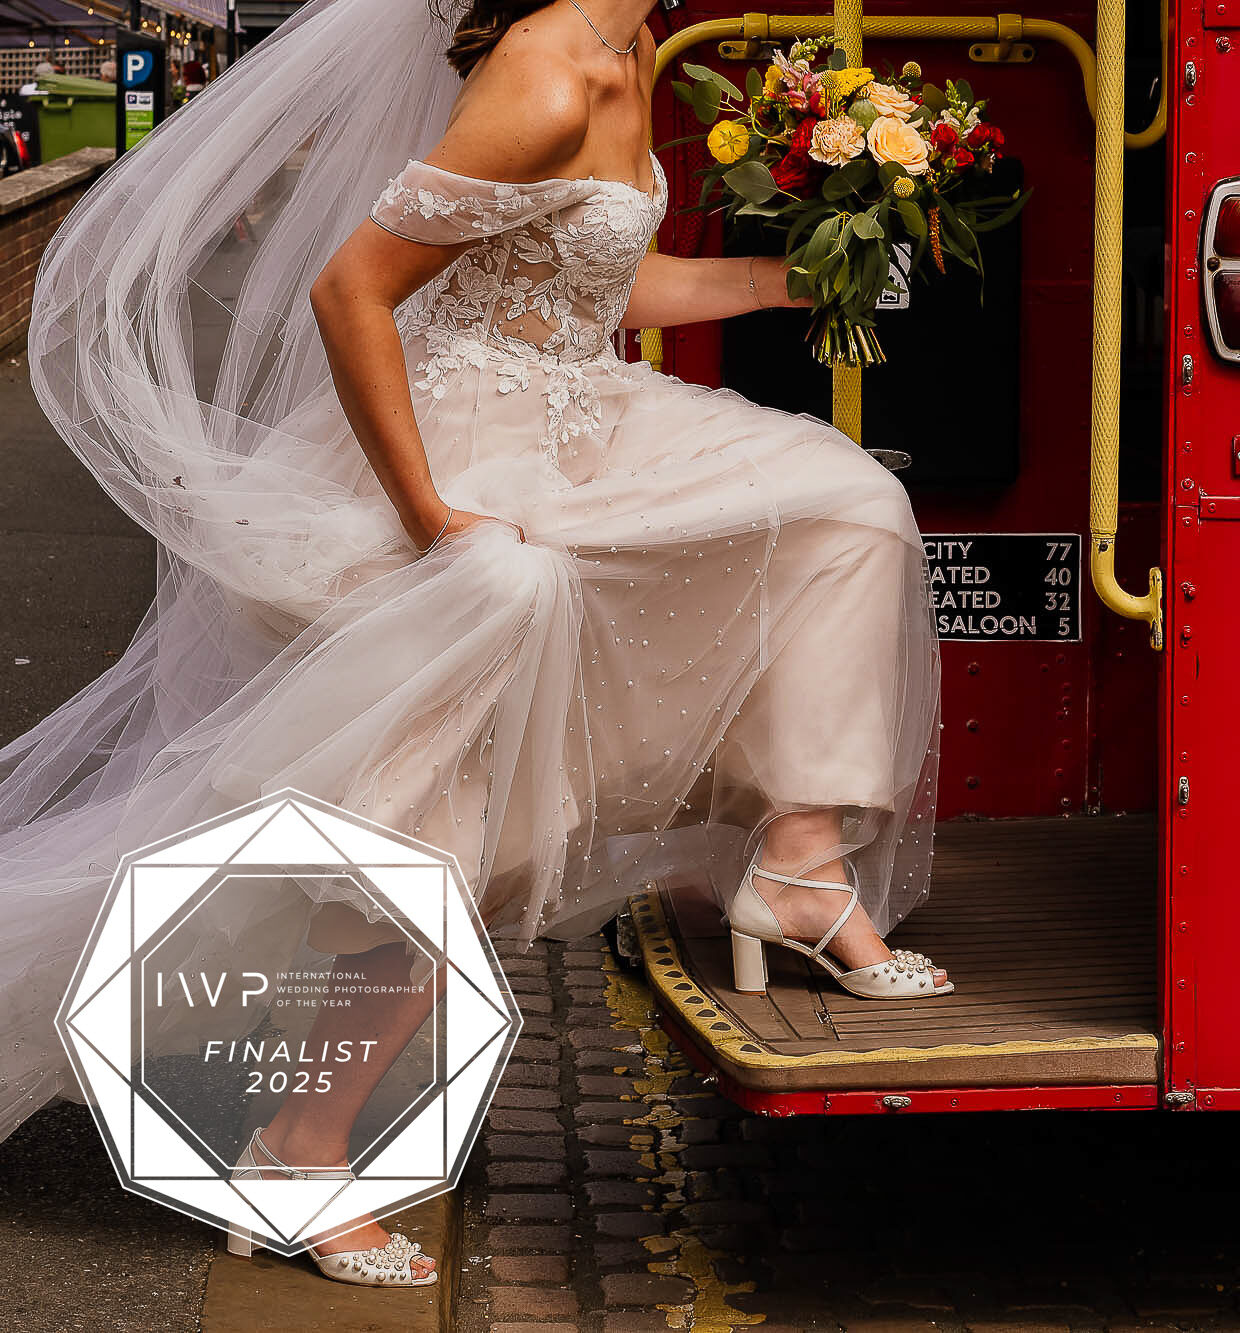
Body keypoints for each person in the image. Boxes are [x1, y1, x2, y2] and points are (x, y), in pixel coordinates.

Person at [0, 0, 948, 1289]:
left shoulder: (628, 59)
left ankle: (798, 857)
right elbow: (353, 292)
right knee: (456, 812)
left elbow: (599, 288)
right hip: (462, 457)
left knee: (847, 506)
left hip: (584, 418)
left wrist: (798, 277)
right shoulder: (548, 79)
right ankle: (298, 1143)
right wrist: (431, 519)